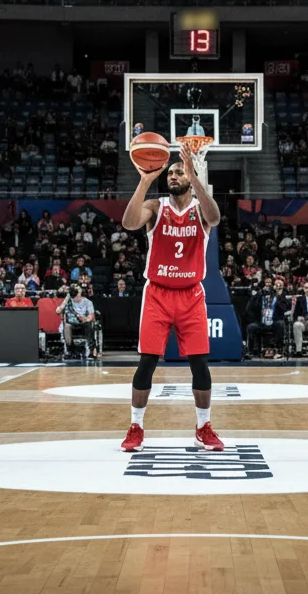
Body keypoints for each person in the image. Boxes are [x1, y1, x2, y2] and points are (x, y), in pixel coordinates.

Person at [119, 143, 223, 453]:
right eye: (173, 173)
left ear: (190, 178)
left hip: (191, 295)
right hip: (158, 294)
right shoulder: (155, 206)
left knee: (200, 364)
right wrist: (145, 180)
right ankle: (136, 426)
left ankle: (203, 426)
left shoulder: (200, 211)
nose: (174, 176)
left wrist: (195, 175)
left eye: (180, 172)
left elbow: (215, 217)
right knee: (147, 362)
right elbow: (128, 223)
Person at [245, 278, 288, 357]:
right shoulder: (259, 296)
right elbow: (249, 308)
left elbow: (284, 309)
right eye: (266, 284)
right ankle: (250, 351)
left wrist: (277, 297)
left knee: (281, 324)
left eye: (270, 284)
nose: (268, 286)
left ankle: (279, 350)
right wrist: (255, 318)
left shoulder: (280, 296)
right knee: (251, 327)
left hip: (274, 321)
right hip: (261, 322)